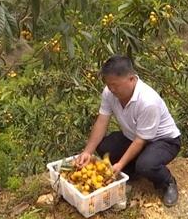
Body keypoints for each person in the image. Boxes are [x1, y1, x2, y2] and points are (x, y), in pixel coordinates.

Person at [76, 55, 181, 207]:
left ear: (131, 79)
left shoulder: (148, 101)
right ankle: (132, 173)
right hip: (134, 136)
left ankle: (167, 182)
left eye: (115, 85)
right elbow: (101, 122)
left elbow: (141, 140)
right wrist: (87, 152)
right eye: (109, 84)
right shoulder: (109, 92)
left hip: (164, 141)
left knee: (146, 164)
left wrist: (120, 164)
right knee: (104, 146)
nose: (111, 89)